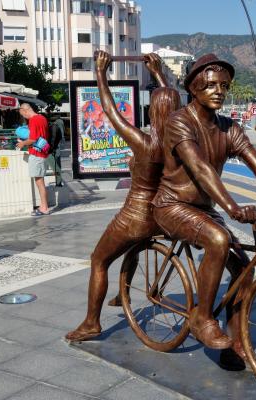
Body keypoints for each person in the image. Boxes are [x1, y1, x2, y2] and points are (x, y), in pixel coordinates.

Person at [152, 54, 256, 367]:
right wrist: (231, 206)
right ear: (194, 88)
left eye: (224, 86)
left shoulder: (229, 128)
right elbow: (199, 167)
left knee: (243, 272)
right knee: (218, 240)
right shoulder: (178, 122)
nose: (218, 91)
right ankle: (200, 319)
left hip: (202, 210)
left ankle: (235, 347)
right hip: (172, 205)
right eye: (210, 85)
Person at [65, 51, 181, 342]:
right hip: (162, 214)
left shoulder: (145, 144)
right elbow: (171, 101)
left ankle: (92, 322)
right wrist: (158, 74)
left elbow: (109, 110)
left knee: (98, 260)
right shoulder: (181, 144)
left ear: (152, 112)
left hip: (136, 215)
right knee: (133, 246)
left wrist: (101, 74)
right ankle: (122, 293)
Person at [17, 103, 51, 216]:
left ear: (25, 110)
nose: (24, 117)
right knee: (40, 180)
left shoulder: (33, 120)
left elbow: (32, 139)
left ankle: (44, 207)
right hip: (43, 151)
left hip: (36, 153)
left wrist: (22, 143)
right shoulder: (42, 118)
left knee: (39, 181)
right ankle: (43, 206)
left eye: (23, 115)